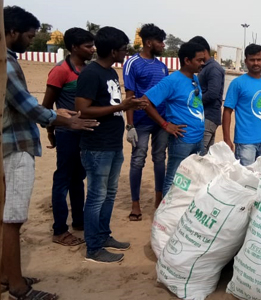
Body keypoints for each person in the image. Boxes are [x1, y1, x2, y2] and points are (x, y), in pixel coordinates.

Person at [3, 6, 99, 298]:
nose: (31, 40)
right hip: (16, 145)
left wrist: (58, 115)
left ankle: (7, 274)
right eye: (30, 35)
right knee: (13, 217)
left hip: (20, 138)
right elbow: (30, 106)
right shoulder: (7, 64)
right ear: (13, 31)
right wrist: (62, 120)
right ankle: (18, 286)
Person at [75, 26, 148, 264]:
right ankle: (93, 248)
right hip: (97, 145)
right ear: (113, 50)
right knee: (96, 196)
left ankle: (104, 236)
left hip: (113, 144)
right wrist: (121, 108)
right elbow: (83, 109)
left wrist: (128, 106)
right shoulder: (91, 74)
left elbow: (113, 103)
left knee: (109, 194)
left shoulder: (109, 73)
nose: (126, 53)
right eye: (124, 49)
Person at [42, 27, 95, 246]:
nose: (92, 49)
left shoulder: (88, 70)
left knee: (78, 178)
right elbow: (46, 108)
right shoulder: (60, 71)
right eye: (88, 46)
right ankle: (60, 230)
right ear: (74, 47)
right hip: (66, 134)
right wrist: (52, 132)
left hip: (83, 135)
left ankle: (79, 221)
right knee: (62, 179)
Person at [141, 42, 207, 195]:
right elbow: (145, 102)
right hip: (182, 140)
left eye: (203, 60)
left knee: (192, 178)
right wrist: (165, 124)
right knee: (173, 178)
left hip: (198, 138)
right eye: (199, 60)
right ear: (187, 60)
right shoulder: (172, 80)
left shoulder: (194, 79)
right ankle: (164, 216)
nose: (203, 63)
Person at [122, 23, 169, 221]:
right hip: (140, 121)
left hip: (161, 121)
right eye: (160, 41)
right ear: (149, 43)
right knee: (137, 160)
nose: (163, 45)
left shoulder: (162, 67)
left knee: (159, 159)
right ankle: (135, 203)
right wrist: (130, 125)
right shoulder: (132, 63)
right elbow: (130, 95)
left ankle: (159, 199)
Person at [223, 44, 261, 166]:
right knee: (245, 180)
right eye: (252, 60)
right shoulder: (237, 84)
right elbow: (227, 111)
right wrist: (227, 139)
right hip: (245, 143)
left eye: (259, 60)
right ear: (246, 61)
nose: (256, 63)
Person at [189, 36, 224, 156]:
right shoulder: (206, 67)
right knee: (205, 156)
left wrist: (193, 103)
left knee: (199, 154)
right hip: (206, 116)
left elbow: (212, 94)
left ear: (203, 51)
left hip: (209, 116)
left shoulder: (213, 68)